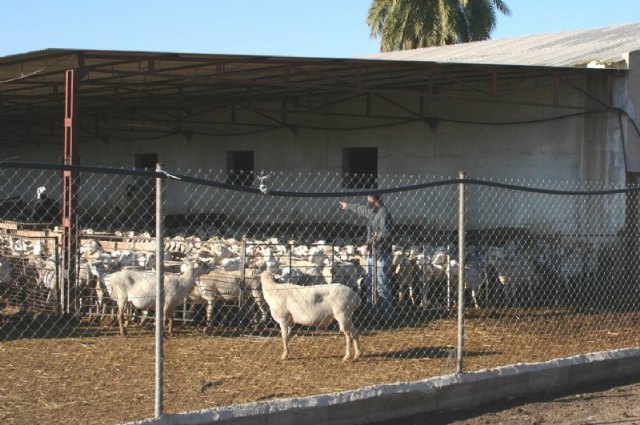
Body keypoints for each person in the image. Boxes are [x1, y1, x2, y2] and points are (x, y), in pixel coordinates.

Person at [339, 194, 395, 324]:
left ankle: (388, 315)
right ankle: (370, 312)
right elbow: (361, 209)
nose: (366, 200)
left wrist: (368, 243)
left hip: (381, 254)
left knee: (381, 284)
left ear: (375, 199)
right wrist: (348, 206)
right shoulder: (373, 211)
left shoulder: (384, 214)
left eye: (369, 198)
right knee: (369, 282)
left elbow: (385, 233)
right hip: (372, 253)